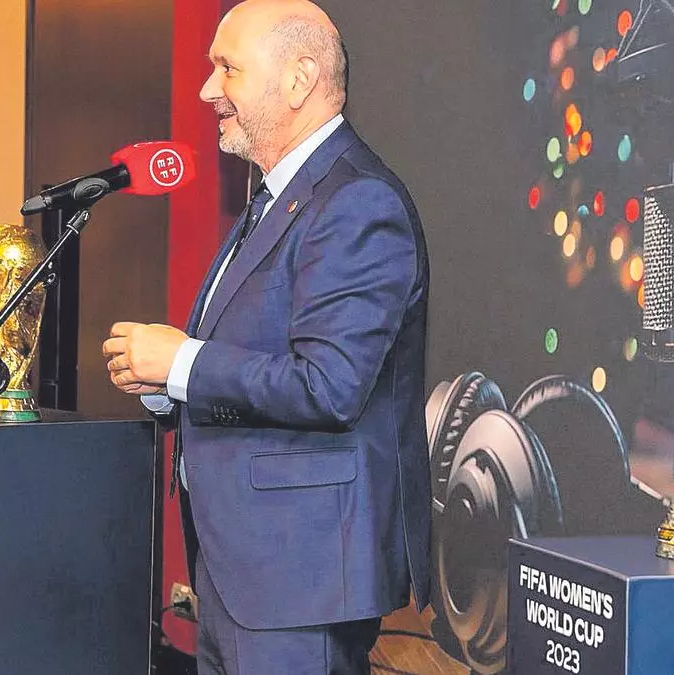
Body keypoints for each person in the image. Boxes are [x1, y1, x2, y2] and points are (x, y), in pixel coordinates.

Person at [101, 0, 429, 672]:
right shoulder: (278, 195)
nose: (207, 90)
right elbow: (257, 358)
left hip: (300, 576)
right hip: (244, 570)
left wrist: (183, 362)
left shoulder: (357, 201)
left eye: (228, 69)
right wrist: (166, 383)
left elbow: (329, 386)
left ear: (299, 78)